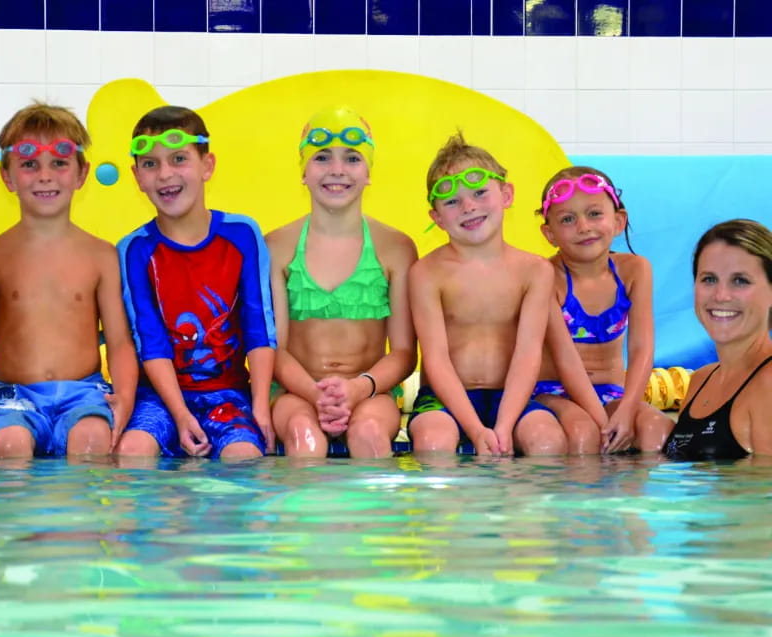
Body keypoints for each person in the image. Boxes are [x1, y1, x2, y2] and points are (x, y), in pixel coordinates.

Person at [0, 103, 137, 459]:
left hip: (84, 393)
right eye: (29, 164)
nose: (45, 176)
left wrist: (125, 398)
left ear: (81, 173)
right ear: (7, 177)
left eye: (59, 163)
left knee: (92, 441)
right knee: (9, 446)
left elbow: (119, 340)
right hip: (14, 396)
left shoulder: (101, 255)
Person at [115, 106, 276, 460]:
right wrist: (181, 414)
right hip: (159, 397)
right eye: (150, 164)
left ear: (207, 165)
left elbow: (259, 327)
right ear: (137, 177)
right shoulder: (135, 250)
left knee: (245, 457)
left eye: (178, 159)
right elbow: (150, 341)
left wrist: (261, 406)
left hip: (229, 394)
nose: (165, 174)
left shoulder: (242, 235)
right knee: (132, 452)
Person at [267, 106, 417, 458]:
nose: (337, 170)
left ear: (368, 172)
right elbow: (275, 349)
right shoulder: (276, 247)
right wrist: (315, 393)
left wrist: (358, 389)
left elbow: (405, 353)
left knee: (368, 435)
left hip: (373, 392)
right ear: (303, 171)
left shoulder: (396, 248)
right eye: (321, 158)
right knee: (304, 439)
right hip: (294, 393)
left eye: (352, 158)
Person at [407, 132, 566, 456]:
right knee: (433, 443)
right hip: (443, 398)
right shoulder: (426, 273)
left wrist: (504, 426)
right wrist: (475, 429)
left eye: (480, 192)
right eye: (452, 201)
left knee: (548, 442)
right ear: (436, 218)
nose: (469, 207)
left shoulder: (534, 271)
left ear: (507, 194)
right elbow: (435, 358)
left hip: (512, 395)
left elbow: (528, 353)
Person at [534, 166, 673, 453]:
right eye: (568, 219)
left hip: (612, 393)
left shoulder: (635, 270)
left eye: (594, 214)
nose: (584, 227)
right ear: (549, 233)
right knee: (584, 436)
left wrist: (626, 410)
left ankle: (632, 499)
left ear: (619, 220)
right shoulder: (546, 276)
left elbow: (641, 349)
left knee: (657, 432)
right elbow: (565, 359)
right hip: (552, 393)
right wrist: (602, 422)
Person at [664, 219, 772, 460]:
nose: (721, 296)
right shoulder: (700, 381)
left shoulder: (768, 385)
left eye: (740, 280)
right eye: (709, 279)